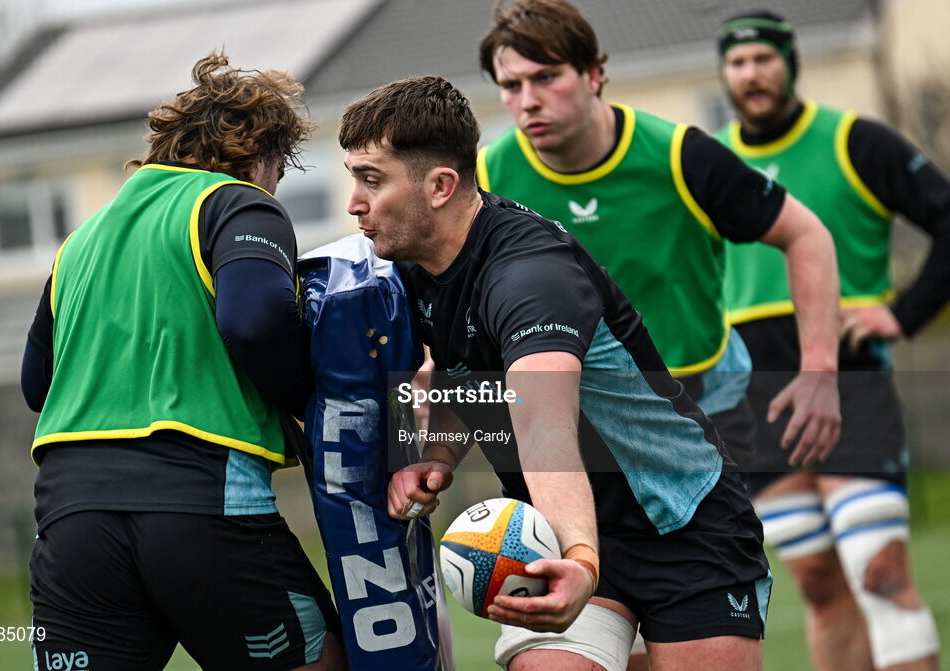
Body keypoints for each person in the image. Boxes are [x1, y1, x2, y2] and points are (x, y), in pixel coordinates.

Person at [341, 74, 772, 671]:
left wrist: (583, 561)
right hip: (550, 530)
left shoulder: (529, 275)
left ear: (440, 186)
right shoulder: (414, 264)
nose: (354, 203)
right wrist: (435, 455)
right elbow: (462, 371)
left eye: (371, 180)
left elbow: (543, 423)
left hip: (681, 520)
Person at [21, 52, 344, 671]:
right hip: (200, 501)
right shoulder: (239, 202)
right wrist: (307, 403)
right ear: (263, 158)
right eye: (279, 171)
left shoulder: (81, 239)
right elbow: (253, 321)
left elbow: (37, 385)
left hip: (71, 519)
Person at [476, 0, 842, 491]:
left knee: (714, 566)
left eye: (546, 78)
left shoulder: (681, 157)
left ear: (593, 74)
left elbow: (807, 235)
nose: (528, 100)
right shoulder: (487, 180)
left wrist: (819, 371)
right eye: (511, 86)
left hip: (698, 401)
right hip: (576, 409)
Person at [717, 10, 948, 671]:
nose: (750, 74)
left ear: (791, 64)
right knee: (818, 581)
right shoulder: (709, 159)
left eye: (763, 58)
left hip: (849, 380)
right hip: (753, 394)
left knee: (878, 568)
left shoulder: (858, 141)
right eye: (736, 63)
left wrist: (903, 314)